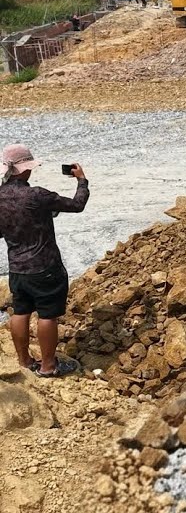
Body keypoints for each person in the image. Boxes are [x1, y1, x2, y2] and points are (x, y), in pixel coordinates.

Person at [0, 145, 88, 377]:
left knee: (20, 312)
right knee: (47, 315)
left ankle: (24, 361)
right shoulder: (37, 195)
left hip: (17, 269)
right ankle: (48, 367)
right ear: (25, 168)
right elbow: (77, 205)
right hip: (45, 267)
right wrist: (82, 181)